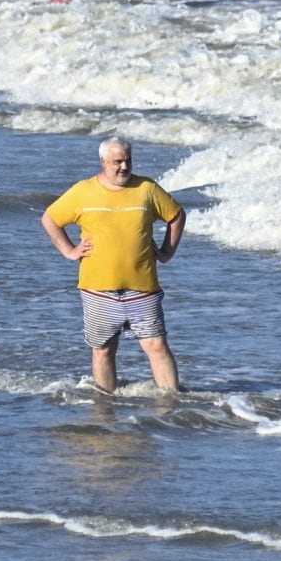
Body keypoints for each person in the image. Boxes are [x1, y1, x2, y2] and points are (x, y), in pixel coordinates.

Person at [41, 136, 186, 394]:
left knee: (157, 346)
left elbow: (176, 216)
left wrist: (167, 252)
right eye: (118, 161)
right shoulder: (83, 191)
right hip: (98, 289)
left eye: (128, 160)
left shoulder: (147, 188)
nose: (124, 166)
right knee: (104, 350)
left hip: (143, 287)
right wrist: (69, 250)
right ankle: (104, 406)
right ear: (103, 162)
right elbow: (50, 218)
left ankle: (170, 405)